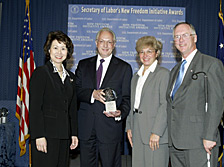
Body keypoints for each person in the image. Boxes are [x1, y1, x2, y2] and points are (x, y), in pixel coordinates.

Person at [166, 22, 224, 167]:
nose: (180, 40)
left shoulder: (211, 64)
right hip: (175, 143)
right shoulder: (174, 70)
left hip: (199, 141)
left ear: (195, 38)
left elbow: (216, 103)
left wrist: (210, 136)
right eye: (177, 37)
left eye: (185, 35)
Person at [75, 27, 132, 167]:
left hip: (110, 129)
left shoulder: (124, 68)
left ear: (114, 45)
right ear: (96, 42)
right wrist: (92, 94)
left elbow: (127, 98)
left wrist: (120, 113)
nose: (105, 45)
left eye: (109, 42)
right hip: (86, 129)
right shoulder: (83, 64)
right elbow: (74, 91)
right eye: (102, 41)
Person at [29, 31, 78, 167]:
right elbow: (35, 108)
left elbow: (72, 109)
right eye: (55, 47)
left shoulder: (71, 77)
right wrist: (38, 136)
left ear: (68, 52)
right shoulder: (41, 73)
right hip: (45, 136)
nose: (59, 52)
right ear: (48, 50)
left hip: (64, 136)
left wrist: (74, 134)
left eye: (63, 48)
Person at [126, 36, 170, 167]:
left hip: (156, 134)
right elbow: (133, 104)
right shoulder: (136, 77)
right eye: (142, 52)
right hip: (137, 132)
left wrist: (156, 132)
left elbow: (165, 104)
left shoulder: (163, 74)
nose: (145, 55)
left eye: (149, 51)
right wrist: (129, 127)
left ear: (157, 54)